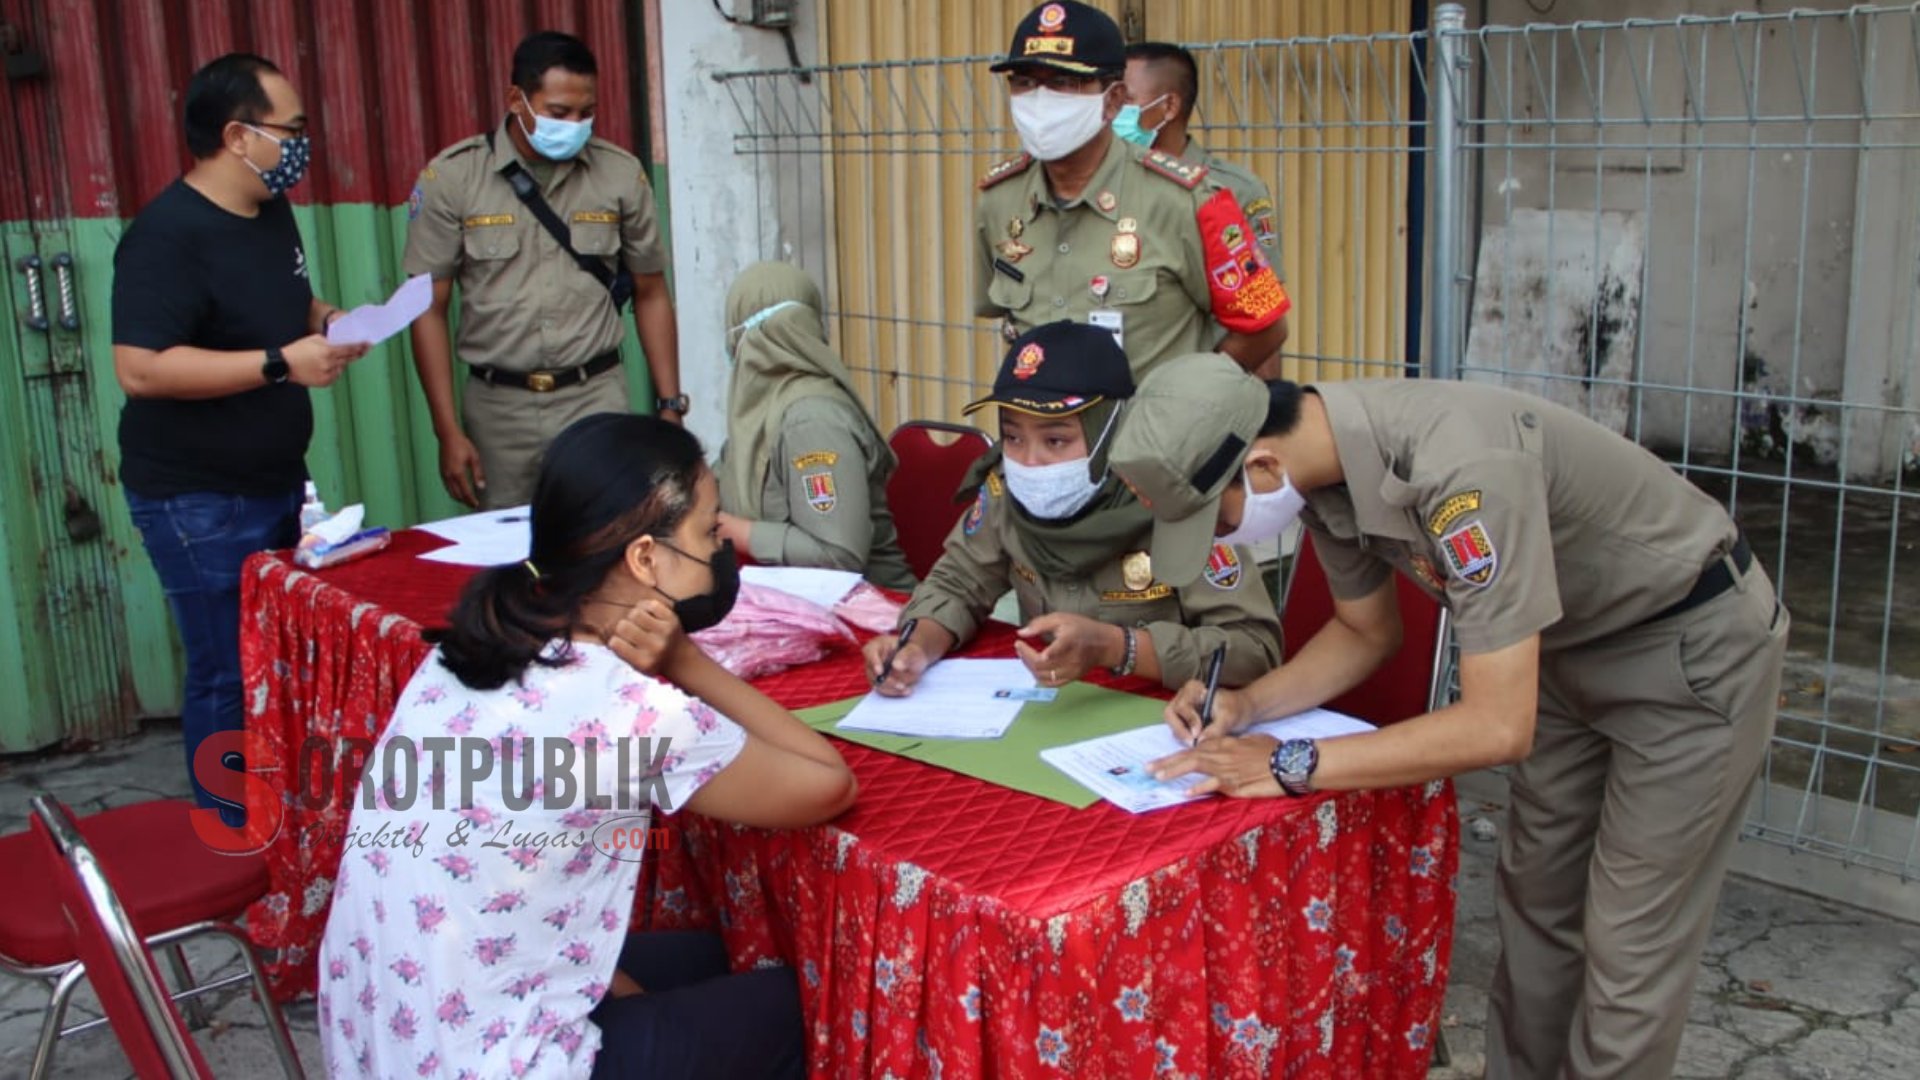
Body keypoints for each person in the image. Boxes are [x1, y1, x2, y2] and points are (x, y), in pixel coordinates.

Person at [1110, 354, 1790, 1079]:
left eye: (1218, 516)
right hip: (1560, 651)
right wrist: (1248, 705)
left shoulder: (1461, 472)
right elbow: (1366, 632)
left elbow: (1498, 726)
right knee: (1537, 908)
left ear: (1265, 466)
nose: (1221, 538)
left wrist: (1290, 765)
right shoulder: (1327, 469)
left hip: (1686, 651)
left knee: (1629, 940)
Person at [317, 413, 854, 1079]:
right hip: (497, 1063)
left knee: (711, 957)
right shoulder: (628, 710)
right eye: (710, 529)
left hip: (388, 1042)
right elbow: (830, 783)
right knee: (802, 1007)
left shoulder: (469, 648)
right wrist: (686, 661)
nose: (722, 545)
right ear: (645, 558)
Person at [110, 53, 369, 825]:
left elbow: (281, 298)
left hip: (275, 480)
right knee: (227, 670)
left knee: (277, 662)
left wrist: (325, 320)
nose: (301, 144)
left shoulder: (267, 208)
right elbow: (143, 369)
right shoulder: (165, 236)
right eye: (290, 129)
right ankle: (233, 836)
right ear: (237, 134)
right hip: (199, 500)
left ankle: (282, 814)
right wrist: (278, 363)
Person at [862, 323, 1281, 697]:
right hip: (1050, 709)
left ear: (1107, 433)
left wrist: (1120, 647)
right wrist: (916, 647)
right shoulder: (1006, 492)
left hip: (1160, 718)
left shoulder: (1172, 499)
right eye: (1012, 437)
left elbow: (1253, 649)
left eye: (1055, 440)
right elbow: (958, 584)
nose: (1029, 461)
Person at [404, 30, 686, 510]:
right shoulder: (453, 178)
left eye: (586, 113)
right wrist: (447, 431)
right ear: (517, 99)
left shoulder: (619, 175)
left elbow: (651, 291)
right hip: (498, 410)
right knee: (508, 556)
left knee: (602, 543)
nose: (575, 125)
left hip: (593, 398)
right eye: (559, 113)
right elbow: (427, 308)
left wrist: (670, 405)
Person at [974, 1, 1289, 379]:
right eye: (1024, 82)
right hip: (1040, 433)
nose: (1041, 99)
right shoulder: (998, 200)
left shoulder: (1188, 199)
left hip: (1151, 434)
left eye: (1063, 82)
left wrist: (1187, 399)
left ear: (1113, 100)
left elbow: (1266, 327)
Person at [713, 261, 915, 590]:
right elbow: (715, 483)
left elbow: (839, 556)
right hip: (794, 602)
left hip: (872, 609)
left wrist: (727, 529)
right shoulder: (758, 413)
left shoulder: (811, 420)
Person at [1118, 41, 1289, 376]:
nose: (1109, 111)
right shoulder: (1107, 185)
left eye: (1124, 99)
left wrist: (1262, 413)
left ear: (1168, 106)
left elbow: (1264, 318)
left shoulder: (1231, 191)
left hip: (1199, 392)